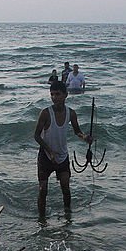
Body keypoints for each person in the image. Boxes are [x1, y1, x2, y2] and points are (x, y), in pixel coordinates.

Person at [34, 81, 91, 216]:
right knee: (43, 190)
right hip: (46, 157)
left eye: (57, 94)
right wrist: (49, 151)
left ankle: (68, 217)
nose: (54, 97)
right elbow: (36, 136)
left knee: (66, 188)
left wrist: (85, 137)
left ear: (65, 95)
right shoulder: (45, 113)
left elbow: (77, 131)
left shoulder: (71, 113)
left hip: (62, 156)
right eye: (52, 95)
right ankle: (41, 221)